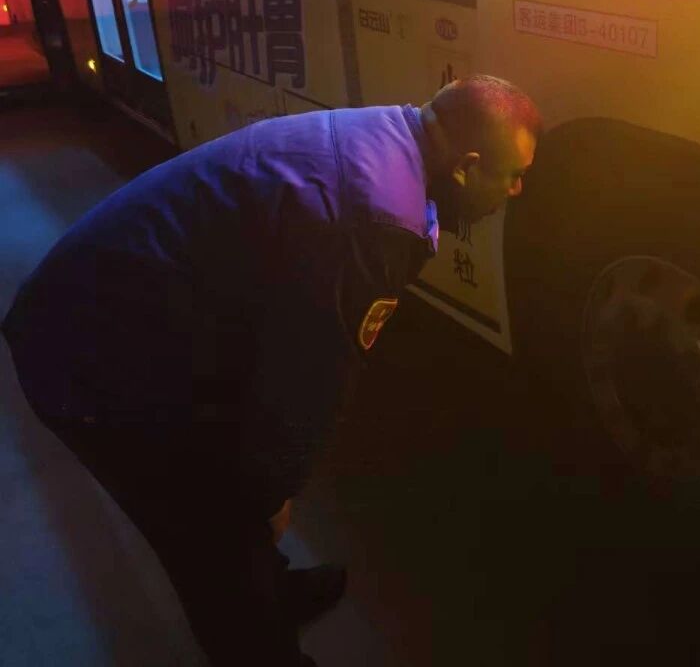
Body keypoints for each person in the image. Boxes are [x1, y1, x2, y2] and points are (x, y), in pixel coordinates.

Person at [1, 75, 540, 666]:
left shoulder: (389, 134)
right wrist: (272, 490)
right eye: (512, 175)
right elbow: (305, 378)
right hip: (89, 357)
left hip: (135, 315)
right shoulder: (377, 215)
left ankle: (273, 590)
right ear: (465, 168)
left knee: (237, 500)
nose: (516, 190)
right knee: (212, 535)